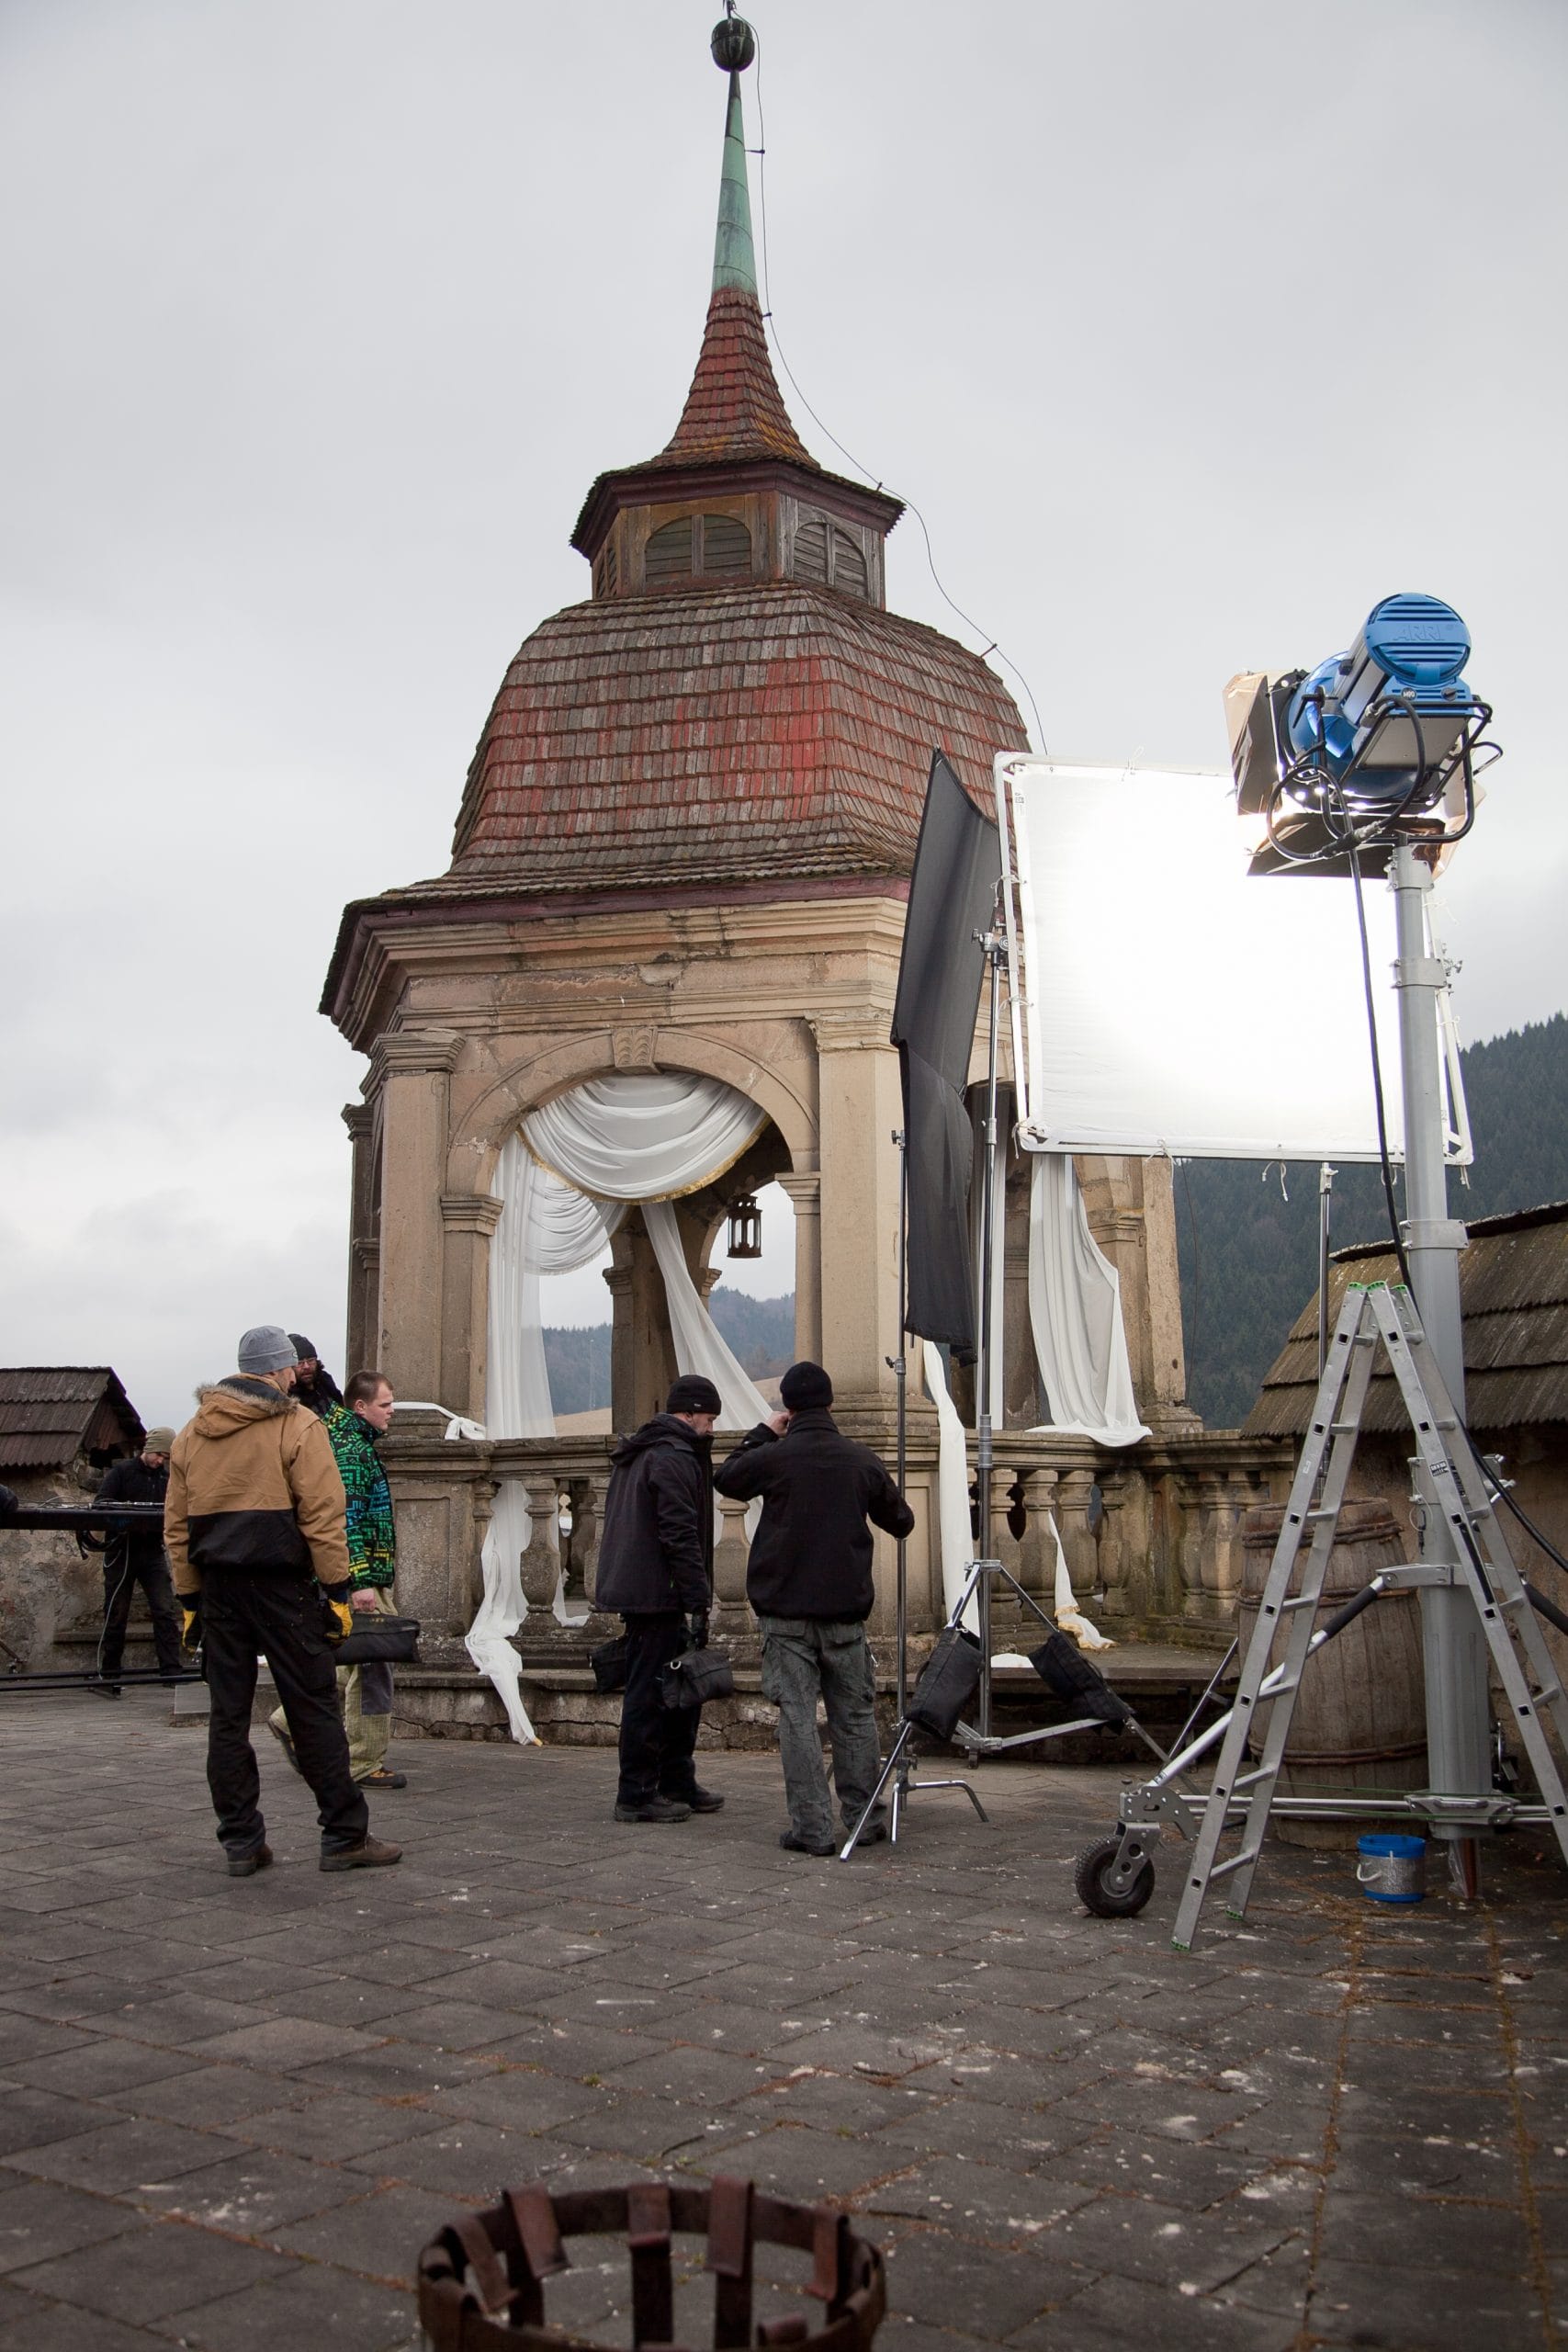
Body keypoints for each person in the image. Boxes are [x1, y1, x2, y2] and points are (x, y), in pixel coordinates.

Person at [164, 1325, 400, 1878]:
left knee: (227, 1718)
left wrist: (189, 1598)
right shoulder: (298, 1424)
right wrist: (337, 1592)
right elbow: (323, 1516)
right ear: (278, 1369)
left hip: (218, 1589)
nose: (297, 1374)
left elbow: (176, 1528)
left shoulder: (192, 1433)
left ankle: (241, 1842)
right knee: (313, 1710)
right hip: (283, 1589)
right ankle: (344, 1835)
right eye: (292, 1366)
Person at [714, 1359, 913, 1856]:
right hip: (845, 1611)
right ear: (830, 1404)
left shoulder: (776, 1456)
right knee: (855, 1717)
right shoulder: (860, 1459)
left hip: (785, 1612)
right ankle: (864, 1819)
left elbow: (727, 1478)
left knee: (798, 1719)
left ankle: (811, 1828)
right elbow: (902, 1522)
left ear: (789, 1406)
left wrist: (764, 1432)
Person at [595, 1373, 726, 1825]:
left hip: (648, 1590)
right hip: (657, 1593)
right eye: (709, 1419)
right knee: (651, 1696)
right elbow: (679, 1533)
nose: (711, 1429)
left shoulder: (647, 1451)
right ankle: (636, 1794)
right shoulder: (672, 1456)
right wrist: (698, 1597)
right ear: (689, 1414)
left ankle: (675, 1781)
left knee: (678, 1692)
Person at [269, 1369, 404, 1790]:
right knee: (375, 1666)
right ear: (360, 1406)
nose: (392, 1411)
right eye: (385, 1404)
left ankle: (290, 1719)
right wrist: (359, 1581)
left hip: (363, 1574)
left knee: (352, 1656)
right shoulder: (350, 1448)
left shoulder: (349, 1439)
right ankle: (363, 1760)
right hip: (361, 1578)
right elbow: (345, 1520)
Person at [90, 1426, 182, 1695]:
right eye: (159, 1455)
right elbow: (101, 1504)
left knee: (164, 1609)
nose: (161, 1461)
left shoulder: (166, 1479)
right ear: (148, 1449)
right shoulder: (122, 1472)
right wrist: (127, 1517)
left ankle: (171, 1672)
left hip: (152, 1552)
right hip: (122, 1551)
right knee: (116, 1613)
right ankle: (110, 1675)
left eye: (166, 1457)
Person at [288, 1336, 344, 1419]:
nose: (306, 1366)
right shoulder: (287, 1396)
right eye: (299, 1363)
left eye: (311, 1360)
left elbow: (342, 1406)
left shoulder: (325, 1381)